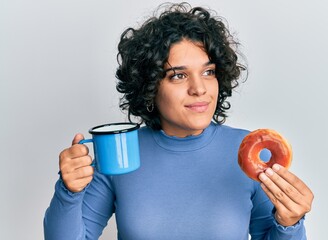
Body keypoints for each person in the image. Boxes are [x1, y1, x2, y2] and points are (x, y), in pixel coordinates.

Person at [44, 3, 313, 239]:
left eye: (208, 72)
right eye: (178, 76)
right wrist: (69, 191)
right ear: (149, 86)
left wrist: (288, 223)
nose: (199, 89)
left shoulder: (248, 152)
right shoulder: (119, 153)